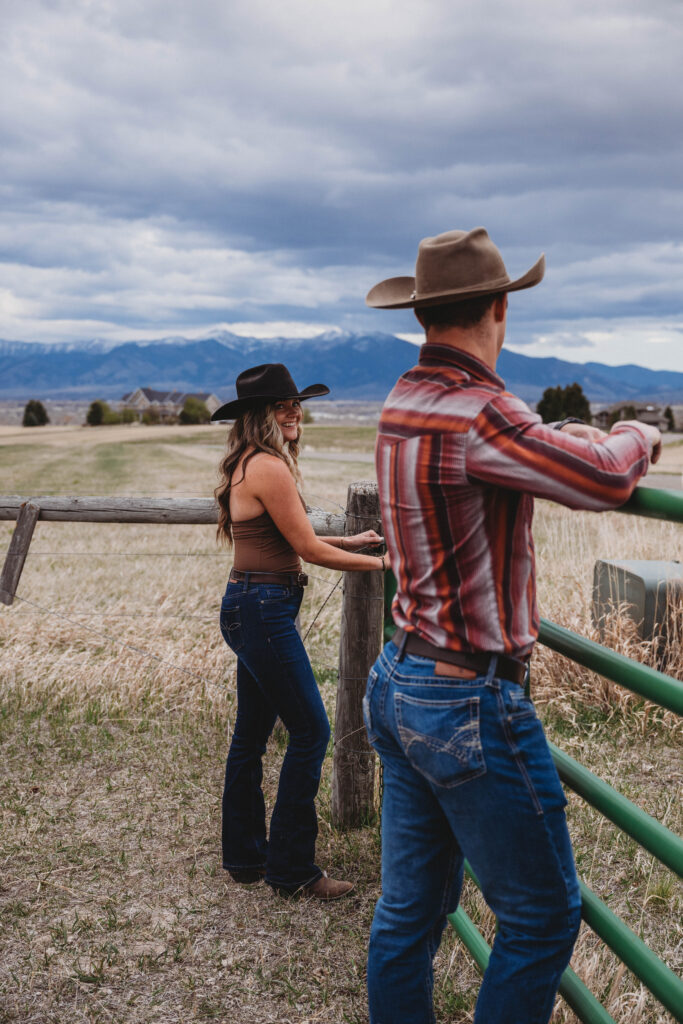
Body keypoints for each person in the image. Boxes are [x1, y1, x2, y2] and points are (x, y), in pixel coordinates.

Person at [363, 228, 661, 1023]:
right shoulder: (479, 410)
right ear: (499, 308)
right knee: (540, 918)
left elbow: (507, 451)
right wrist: (642, 433)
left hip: (400, 677)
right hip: (466, 697)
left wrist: (557, 438)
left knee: (408, 911)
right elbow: (601, 479)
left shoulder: (405, 399)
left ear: (423, 316)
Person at [213, 363, 389, 900]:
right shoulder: (268, 466)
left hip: (252, 603)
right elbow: (309, 550)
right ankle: (291, 868)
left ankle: (246, 857)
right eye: (283, 405)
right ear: (258, 416)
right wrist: (386, 567)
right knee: (311, 732)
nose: (295, 411)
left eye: (296, 403)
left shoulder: (251, 463)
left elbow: (294, 535)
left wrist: (356, 543)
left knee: (251, 736)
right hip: (264, 608)